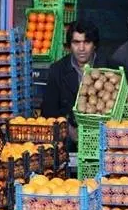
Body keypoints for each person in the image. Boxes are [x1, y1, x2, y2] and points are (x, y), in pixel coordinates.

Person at [40, 20, 107, 149]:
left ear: (95, 45)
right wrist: (68, 130)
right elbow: (49, 111)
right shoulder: (57, 70)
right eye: (76, 42)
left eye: (87, 42)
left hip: (102, 142)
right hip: (68, 145)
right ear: (70, 45)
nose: (81, 48)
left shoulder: (109, 68)